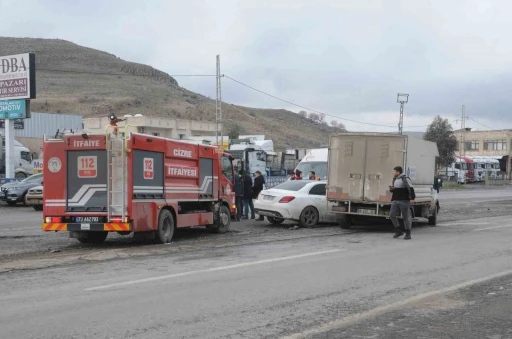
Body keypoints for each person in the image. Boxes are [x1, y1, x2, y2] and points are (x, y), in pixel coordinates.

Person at [389, 166, 416, 240]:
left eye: (394, 171)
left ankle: (408, 233)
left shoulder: (405, 179)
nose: (393, 173)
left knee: (405, 217)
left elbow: (411, 188)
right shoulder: (394, 179)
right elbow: (395, 190)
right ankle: (398, 230)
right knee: (392, 215)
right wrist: (392, 189)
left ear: (398, 172)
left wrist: (412, 198)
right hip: (395, 200)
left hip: (404, 200)